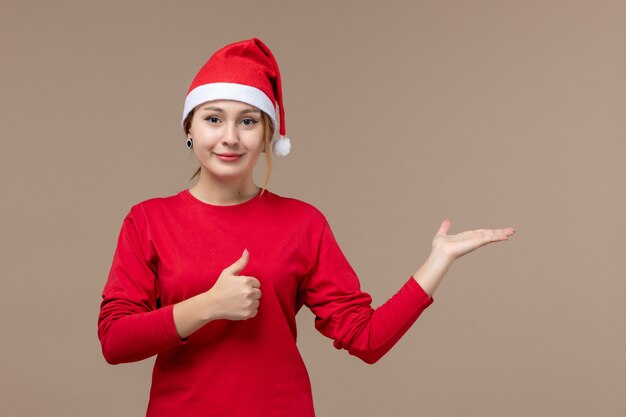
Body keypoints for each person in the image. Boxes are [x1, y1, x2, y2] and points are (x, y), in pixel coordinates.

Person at [97, 37, 516, 417]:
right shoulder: (148, 221)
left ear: (267, 135)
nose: (229, 137)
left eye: (247, 121)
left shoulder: (302, 223)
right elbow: (115, 341)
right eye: (213, 119)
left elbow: (366, 339)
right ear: (189, 128)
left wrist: (437, 262)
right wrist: (207, 306)